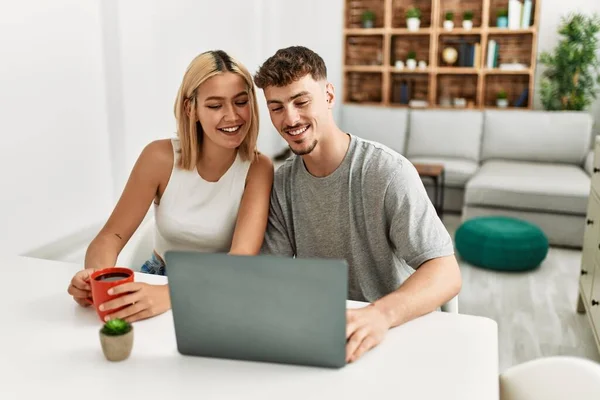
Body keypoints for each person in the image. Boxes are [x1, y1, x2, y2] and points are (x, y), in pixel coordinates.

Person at [254, 46, 461, 363]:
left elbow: (447, 273)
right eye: (276, 107)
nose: (290, 118)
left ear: (328, 95)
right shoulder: (282, 184)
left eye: (301, 101)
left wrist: (380, 314)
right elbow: (272, 275)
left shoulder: (387, 172)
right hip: (327, 334)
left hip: (394, 331)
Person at [67, 50, 274, 323]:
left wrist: (171, 294)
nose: (232, 116)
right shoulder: (159, 158)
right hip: (157, 277)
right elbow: (111, 237)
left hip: (220, 285)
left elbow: (240, 259)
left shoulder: (258, 169)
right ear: (191, 109)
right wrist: (96, 277)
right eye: (215, 106)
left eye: (241, 102)